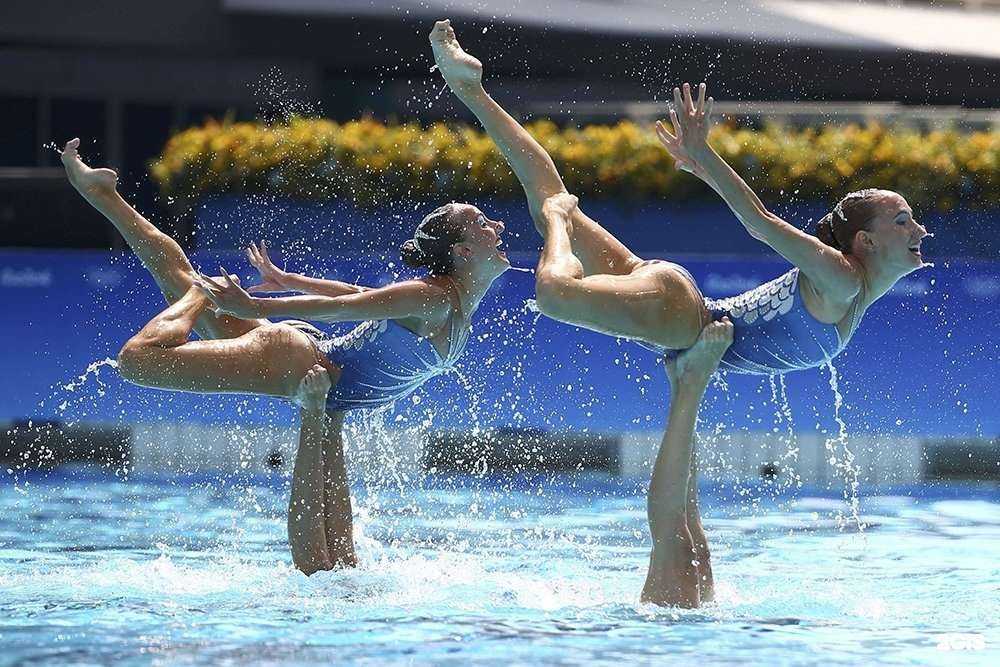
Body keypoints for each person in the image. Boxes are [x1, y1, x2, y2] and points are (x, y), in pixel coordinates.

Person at [431, 19, 929, 604]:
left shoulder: (852, 290)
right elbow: (761, 223)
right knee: (555, 281)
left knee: (548, 203)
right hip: (679, 315)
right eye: (902, 221)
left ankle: (472, 92)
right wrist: (702, 157)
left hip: (676, 310)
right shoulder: (840, 278)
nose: (919, 228)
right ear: (865, 243)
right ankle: (556, 221)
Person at [60, 138, 510, 573]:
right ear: (464, 251)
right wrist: (255, 308)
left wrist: (286, 277)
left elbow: (357, 294)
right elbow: (343, 309)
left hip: (317, 373)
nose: (500, 227)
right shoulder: (434, 298)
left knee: (341, 564)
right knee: (139, 361)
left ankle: (104, 197)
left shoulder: (441, 301)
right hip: (300, 364)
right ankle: (198, 289)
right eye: (485, 224)